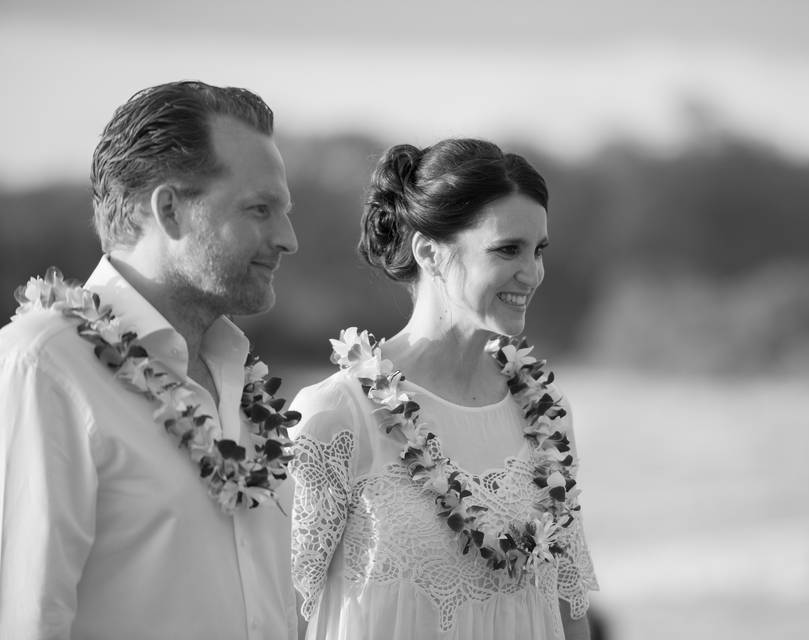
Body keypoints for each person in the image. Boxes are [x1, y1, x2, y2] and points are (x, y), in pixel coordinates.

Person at [0, 81, 300, 639]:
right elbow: (26, 618)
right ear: (170, 210)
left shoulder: (242, 383)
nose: (288, 239)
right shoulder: (44, 365)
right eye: (260, 209)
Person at [289, 138, 598, 640]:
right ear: (429, 253)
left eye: (538, 250)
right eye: (507, 249)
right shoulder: (336, 415)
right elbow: (278, 616)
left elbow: (569, 612)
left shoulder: (547, 417)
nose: (533, 272)